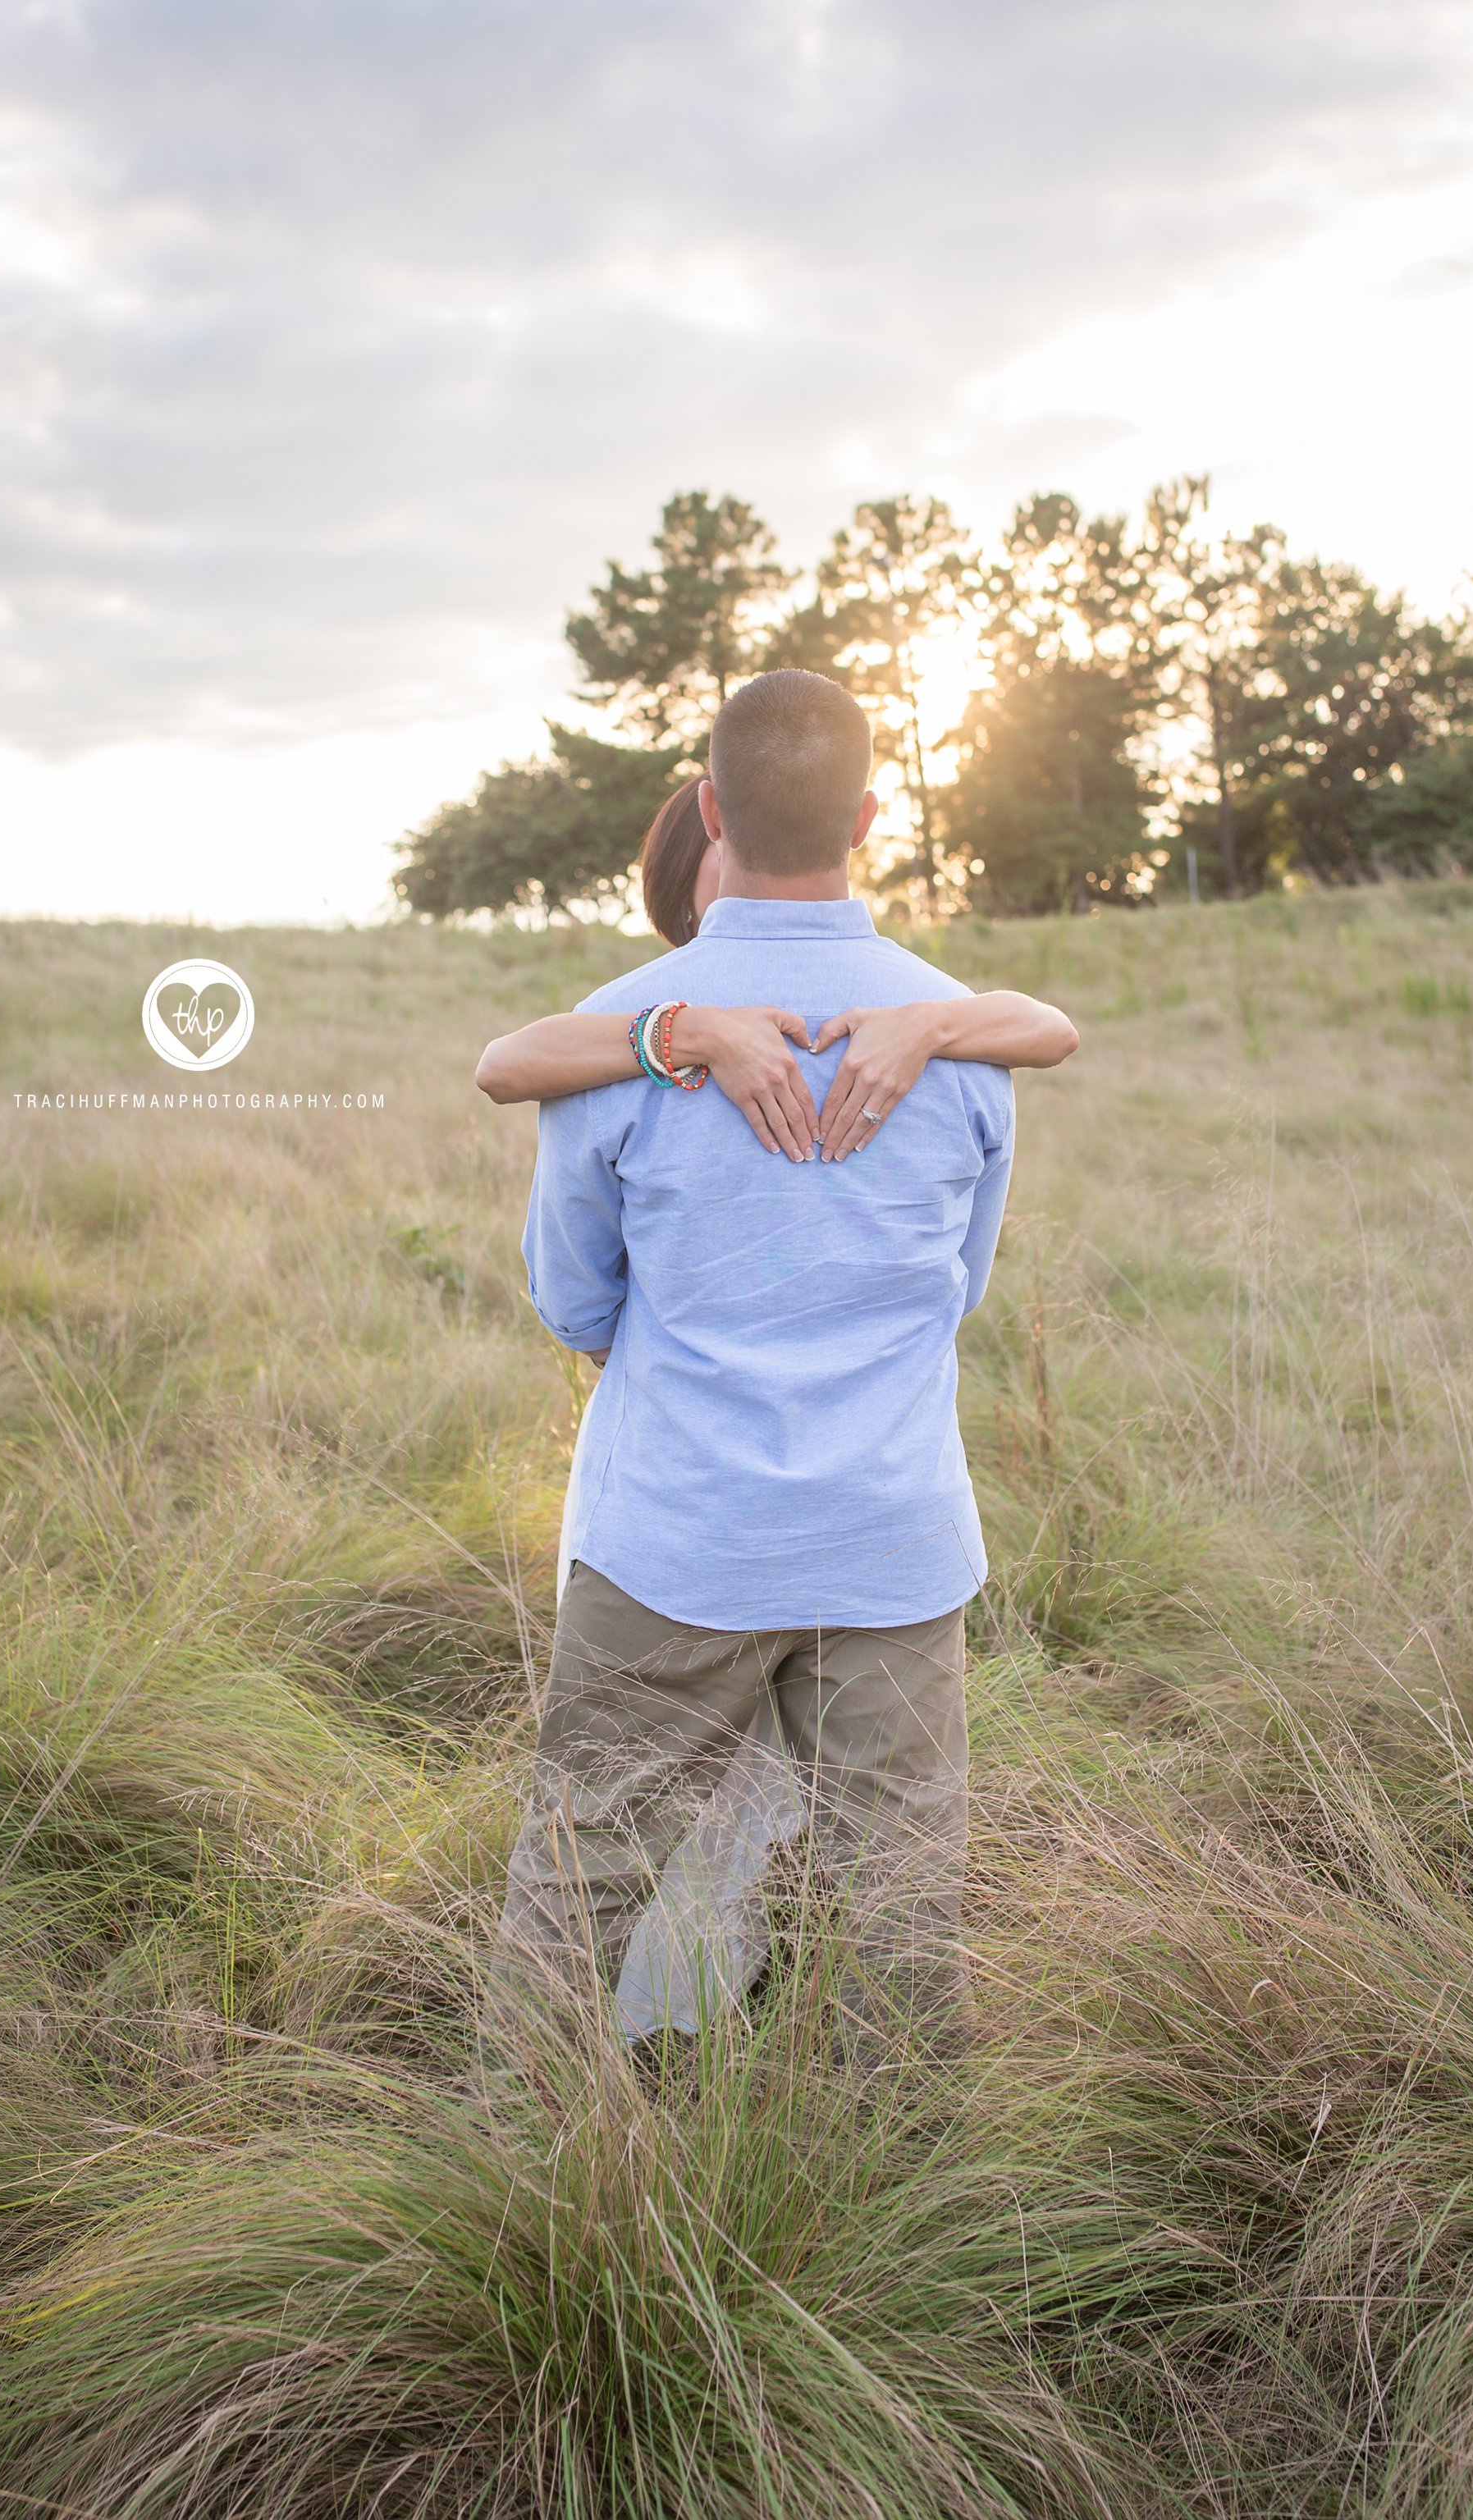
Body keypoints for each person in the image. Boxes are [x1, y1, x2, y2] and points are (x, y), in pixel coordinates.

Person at [482, 670, 1077, 2063]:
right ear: (868, 816)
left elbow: (572, 1305)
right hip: (890, 1534)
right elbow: (958, 1293)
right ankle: (898, 2195)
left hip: (674, 1537)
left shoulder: (621, 1032)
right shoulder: (958, 1039)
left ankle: (520, 2182)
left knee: (581, 1880)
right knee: (897, 1902)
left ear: (706, 806)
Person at [476, 777, 1077, 1154]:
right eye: (721, 843)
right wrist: (699, 1031)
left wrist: (927, 1024)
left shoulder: (899, 990)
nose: (741, 857)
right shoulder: (634, 1002)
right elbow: (501, 1068)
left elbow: (1053, 1030)